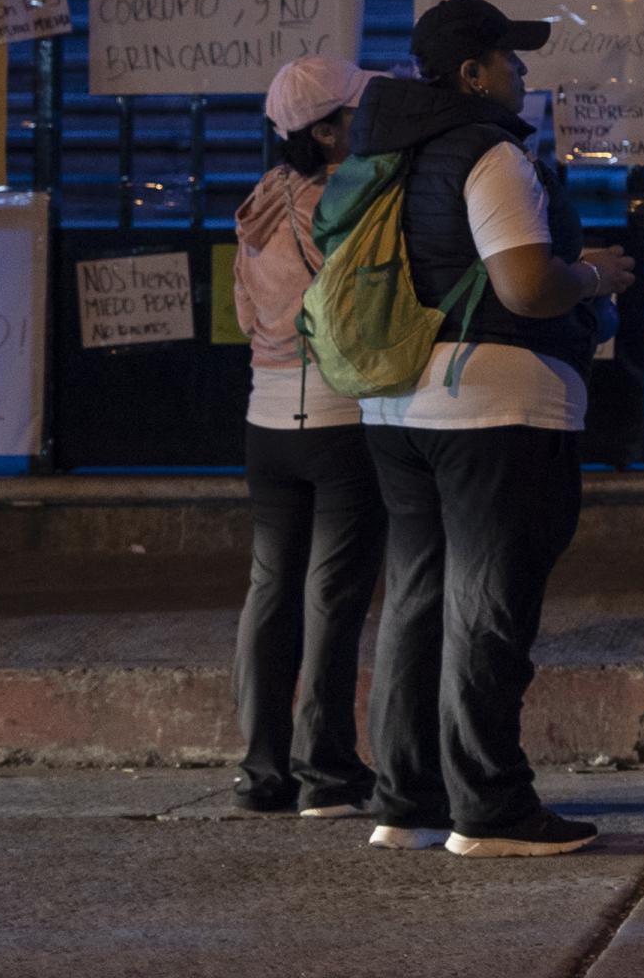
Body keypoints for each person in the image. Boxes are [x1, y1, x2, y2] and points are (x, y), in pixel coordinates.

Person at [352, 0, 638, 859]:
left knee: (415, 600)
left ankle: (406, 799)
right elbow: (523, 286)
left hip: (397, 402)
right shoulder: (490, 152)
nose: (523, 74)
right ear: (473, 73)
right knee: (487, 607)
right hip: (493, 404)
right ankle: (492, 808)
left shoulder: (387, 152)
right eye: (509, 59)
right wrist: (594, 274)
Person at [229, 55, 385, 820]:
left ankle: (262, 771)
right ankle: (326, 771)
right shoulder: (350, 200)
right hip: (338, 418)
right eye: (358, 112)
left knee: (269, 590)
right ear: (328, 132)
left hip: (266, 421)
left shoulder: (258, 204)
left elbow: (242, 318)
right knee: (332, 595)